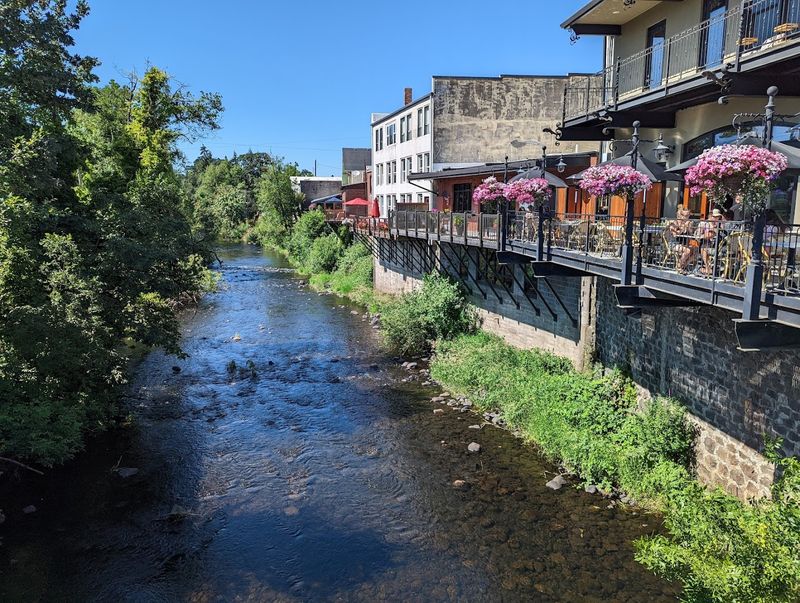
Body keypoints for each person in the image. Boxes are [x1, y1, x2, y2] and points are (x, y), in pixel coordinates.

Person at [696, 208, 726, 275]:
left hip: (717, 246)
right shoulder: (704, 224)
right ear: (710, 216)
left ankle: (708, 269)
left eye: (717, 217)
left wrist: (715, 229)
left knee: (704, 248)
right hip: (706, 243)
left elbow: (722, 234)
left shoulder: (720, 224)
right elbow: (698, 236)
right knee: (704, 247)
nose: (716, 218)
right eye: (714, 217)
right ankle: (707, 268)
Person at [668, 206, 695, 272]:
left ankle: (683, 265)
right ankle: (679, 266)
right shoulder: (674, 223)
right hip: (674, 243)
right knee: (687, 251)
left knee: (696, 251)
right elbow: (675, 235)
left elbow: (691, 234)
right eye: (685, 216)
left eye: (688, 215)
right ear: (680, 215)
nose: (687, 217)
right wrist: (683, 227)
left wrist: (689, 228)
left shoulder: (688, 223)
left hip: (684, 243)